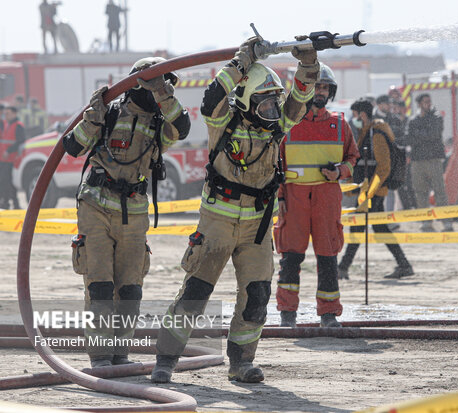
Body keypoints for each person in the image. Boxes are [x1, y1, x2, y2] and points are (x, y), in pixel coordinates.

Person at [150, 38, 319, 384]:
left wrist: (308, 68)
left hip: (257, 225)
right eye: (266, 104)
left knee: (257, 294)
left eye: (275, 103)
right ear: (244, 102)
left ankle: (241, 362)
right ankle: (166, 359)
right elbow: (211, 97)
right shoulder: (223, 123)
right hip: (218, 221)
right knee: (196, 292)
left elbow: (299, 103)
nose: (273, 111)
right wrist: (242, 62)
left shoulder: (275, 129)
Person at [62, 57, 190, 368]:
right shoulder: (110, 112)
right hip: (95, 204)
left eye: (166, 82)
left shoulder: (161, 122)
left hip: (133, 212)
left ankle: (120, 354)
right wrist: (93, 117)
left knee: (130, 289)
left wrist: (163, 93)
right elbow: (72, 147)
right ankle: (102, 357)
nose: (160, 88)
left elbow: (183, 128)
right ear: (137, 83)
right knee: (101, 285)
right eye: (155, 81)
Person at [274, 63, 359, 328]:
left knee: (328, 257)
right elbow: (275, 164)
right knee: (290, 258)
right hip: (294, 199)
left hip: (326, 199)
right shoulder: (287, 124)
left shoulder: (339, 124)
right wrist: (280, 199)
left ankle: (329, 314)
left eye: (324, 87)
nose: (320, 91)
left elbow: (353, 157)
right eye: (316, 86)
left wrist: (341, 171)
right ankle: (287, 313)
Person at [337, 98, 414, 280]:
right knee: (380, 229)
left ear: (362, 115)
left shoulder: (376, 134)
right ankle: (404, 265)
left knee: (358, 228)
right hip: (370, 191)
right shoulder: (368, 132)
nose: (353, 119)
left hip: (373, 192)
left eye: (355, 116)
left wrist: (368, 193)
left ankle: (342, 268)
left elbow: (383, 167)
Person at [405, 93, 453, 232]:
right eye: (425, 101)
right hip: (417, 161)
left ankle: (446, 222)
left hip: (433, 160)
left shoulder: (436, 117)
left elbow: (434, 135)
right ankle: (426, 221)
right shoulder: (413, 120)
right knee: (420, 192)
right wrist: (423, 135)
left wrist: (418, 135)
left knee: (440, 191)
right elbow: (408, 138)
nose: (428, 104)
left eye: (429, 101)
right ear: (419, 103)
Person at [0, 106, 25, 209]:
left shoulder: (18, 126)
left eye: (8, 114)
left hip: (13, 160)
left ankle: (14, 203)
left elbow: (20, 141)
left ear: (14, 114)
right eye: (5, 114)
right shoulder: (7, 124)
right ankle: (6, 202)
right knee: (4, 181)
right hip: (4, 159)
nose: (6, 116)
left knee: (10, 182)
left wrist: (9, 151)